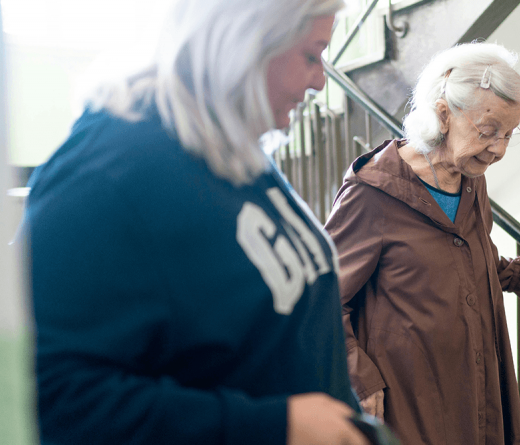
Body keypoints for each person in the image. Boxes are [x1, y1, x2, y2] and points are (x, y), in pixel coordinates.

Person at [24, 1, 371, 444]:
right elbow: (56, 399)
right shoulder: (107, 173)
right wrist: (272, 426)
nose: (321, 80)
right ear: (245, 42)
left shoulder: (229, 149)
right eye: (311, 54)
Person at [324, 42, 520, 445]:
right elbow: (321, 297)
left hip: (475, 387)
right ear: (442, 115)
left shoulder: (471, 183)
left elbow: (476, 262)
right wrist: (362, 380)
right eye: (488, 132)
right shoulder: (373, 193)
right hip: (408, 398)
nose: (500, 149)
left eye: (509, 133)